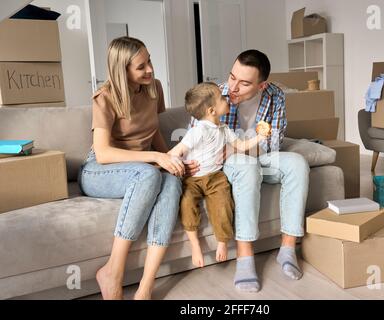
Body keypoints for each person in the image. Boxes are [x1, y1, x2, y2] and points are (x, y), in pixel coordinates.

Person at [78, 36, 199, 300]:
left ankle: (146, 285)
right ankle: (113, 271)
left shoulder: (153, 87)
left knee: (171, 181)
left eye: (150, 61)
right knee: (148, 173)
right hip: (100, 170)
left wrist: (170, 160)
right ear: (123, 70)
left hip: (142, 166)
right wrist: (155, 157)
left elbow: (152, 129)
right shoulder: (105, 97)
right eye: (141, 66)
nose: (150, 70)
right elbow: (103, 152)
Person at [191, 50, 310, 293]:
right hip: (225, 163)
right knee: (248, 168)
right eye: (232, 76)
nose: (233, 87)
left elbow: (273, 143)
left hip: (254, 153)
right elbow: (195, 134)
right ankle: (245, 258)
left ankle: (287, 249)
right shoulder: (216, 94)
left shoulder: (275, 96)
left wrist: (240, 151)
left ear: (262, 85)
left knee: (297, 163)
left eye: (244, 83)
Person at [169, 82, 270, 268]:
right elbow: (176, 151)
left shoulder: (224, 129)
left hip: (215, 177)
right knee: (187, 202)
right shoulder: (198, 130)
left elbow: (241, 146)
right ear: (211, 110)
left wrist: (260, 137)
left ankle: (222, 242)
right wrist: (176, 165)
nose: (226, 98)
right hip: (193, 179)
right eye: (222, 98)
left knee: (224, 203)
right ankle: (195, 245)